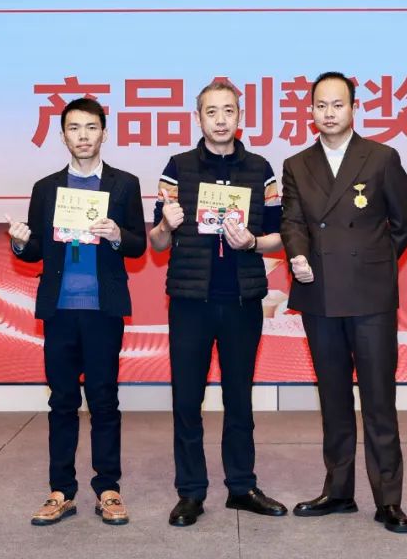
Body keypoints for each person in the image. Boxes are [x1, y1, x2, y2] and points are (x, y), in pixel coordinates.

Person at [280, 71, 407, 534]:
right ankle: (338, 491)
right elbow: (292, 220)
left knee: (379, 399)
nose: (329, 113)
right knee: (333, 397)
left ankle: (388, 500)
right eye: (321, 105)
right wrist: (298, 253)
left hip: (370, 296)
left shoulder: (381, 158)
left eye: (337, 105)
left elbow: (405, 222)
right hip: (319, 292)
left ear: (354, 108)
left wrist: (374, 262)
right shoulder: (297, 164)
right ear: (310, 111)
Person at [149, 80, 288, 527]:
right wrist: (166, 226)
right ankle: (190, 492)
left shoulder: (261, 169)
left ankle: (242, 486)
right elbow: (156, 242)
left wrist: (253, 242)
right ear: (198, 118)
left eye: (229, 111)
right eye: (212, 112)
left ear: (240, 117)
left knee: (239, 398)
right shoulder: (178, 168)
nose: (221, 119)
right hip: (190, 301)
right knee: (187, 399)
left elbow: (280, 236)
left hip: (242, 300)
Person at [6, 97, 146, 527]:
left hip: (103, 308)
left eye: (90, 127)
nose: (83, 136)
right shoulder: (46, 188)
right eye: (74, 128)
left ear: (104, 133)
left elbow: (139, 245)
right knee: (62, 401)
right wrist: (19, 242)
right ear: (63, 135)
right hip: (61, 309)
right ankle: (61, 491)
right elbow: (34, 250)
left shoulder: (124, 185)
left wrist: (117, 233)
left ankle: (108, 489)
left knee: (104, 400)